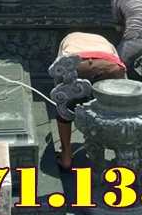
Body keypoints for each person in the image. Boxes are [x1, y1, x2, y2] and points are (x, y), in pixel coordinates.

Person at [53, 32, 126, 170]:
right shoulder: (104, 40)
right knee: (118, 111)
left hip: (77, 65)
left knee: (64, 109)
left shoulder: (68, 39)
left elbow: (58, 74)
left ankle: (66, 156)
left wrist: (61, 100)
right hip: (110, 65)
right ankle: (121, 153)